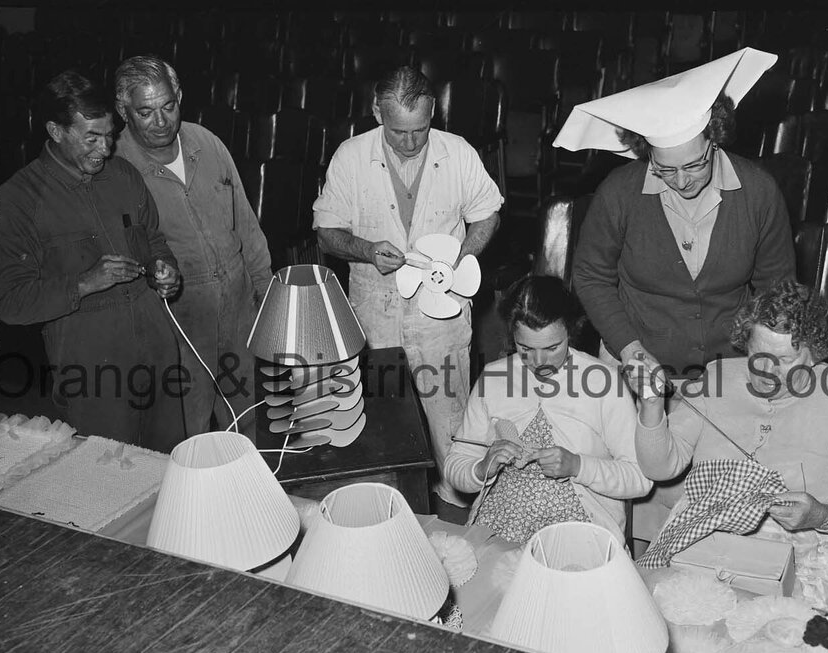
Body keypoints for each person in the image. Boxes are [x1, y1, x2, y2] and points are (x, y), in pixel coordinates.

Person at [554, 47, 797, 542]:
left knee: (703, 498)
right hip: (633, 355)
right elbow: (592, 276)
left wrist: (760, 367)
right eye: (665, 170)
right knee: (628, 485)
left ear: (716, 136)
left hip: (721, 368)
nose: (681, 182)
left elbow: (777, 291)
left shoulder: (758, 193)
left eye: (694, 166)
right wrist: (630, 348)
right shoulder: (620, 193)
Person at [625, 281, 828, 612]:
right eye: (758, 353)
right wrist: (651, 404)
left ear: (815, 354)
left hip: (808, 545)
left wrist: (821, 513)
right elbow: (660, 467)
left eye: (785, 359)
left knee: (787, 640)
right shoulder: (716, 378)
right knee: (651, 617)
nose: (766, 371)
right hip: (707, 532)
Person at [313, 65, 504, 509]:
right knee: (384, 416)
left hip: (443, 309)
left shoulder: (457, 153)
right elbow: (326, 233)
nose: (411, 142)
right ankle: (391, 509)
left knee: (451, 420)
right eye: (398, 132)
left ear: (433, 111)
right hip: (375, 308)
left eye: (420, 129)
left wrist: (464, 254)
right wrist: (364, 250)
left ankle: (458, 505)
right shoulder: (350, 156)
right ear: (376, 113)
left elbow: (487, 213)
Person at [0, 70, 184, 453]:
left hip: (159, 352)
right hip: (93, 372)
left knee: (170, 471)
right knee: (108, 480)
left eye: (111, 135)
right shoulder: (18, 200)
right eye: (92, 138)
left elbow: (151, 239)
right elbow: (10, 302)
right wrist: (83, 283)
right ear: (55, 131)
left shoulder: (123, 176)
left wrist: (165, 268)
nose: (106, 148)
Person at [114, 55, 272, 440]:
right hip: (179, 322)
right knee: (189, 430)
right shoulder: (117, 168)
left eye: (169, 106)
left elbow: (247, 227)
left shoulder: (207, 143)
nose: (162, 121)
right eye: (146, 112)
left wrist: (267, 295)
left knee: (250, 418)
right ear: (123, 111)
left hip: (238, 309)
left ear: (180, 95)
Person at [445, 275, 652, 545]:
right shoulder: (494, 378)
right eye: (525, 348)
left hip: (579, 528)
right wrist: (482, 467)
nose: (539, 362)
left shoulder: (604, 381)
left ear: (571, 331)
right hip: (500, 523)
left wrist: (578, 466)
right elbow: (455, 465)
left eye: (552, 347)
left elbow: (640, 478)